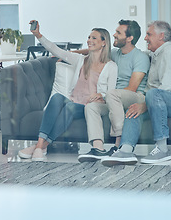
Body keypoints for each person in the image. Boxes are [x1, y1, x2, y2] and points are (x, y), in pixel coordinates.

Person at [101, 20, 171, 166]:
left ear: (161, 36)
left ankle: (162, 149)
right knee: (134, 108)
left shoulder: (170, 52)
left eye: (149, 34)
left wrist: (144, 105)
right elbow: (134, 52)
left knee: (152, 95)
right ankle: (126, 150)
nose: (145, 38)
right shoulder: (156, 54)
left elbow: (167, 87)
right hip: (162, 100)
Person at [18, 20, 117, 161]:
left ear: (104, 42)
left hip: (91, 106)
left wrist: (101, 94)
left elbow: (111, 92)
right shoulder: (81, 60)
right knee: (57, 97)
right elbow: (56, 50)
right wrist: (38, 35)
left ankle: (39, 147)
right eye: (89, 37)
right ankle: (40, 146)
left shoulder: (111, 66)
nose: (89, 40)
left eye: (94, 38)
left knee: (69, 107)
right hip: (73, 101)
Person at [77, 19, 150, 162]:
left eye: (118, 33)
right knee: (92, 106)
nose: (114, 35)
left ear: (129, 38)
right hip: (114, 98)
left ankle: (118, 144)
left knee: (111, 94)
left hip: (135, 96)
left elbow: (132, 88)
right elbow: (95, 50)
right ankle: (98, 148)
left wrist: (106, 96)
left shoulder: (140, 57)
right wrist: (73, 52)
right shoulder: (116, 54)